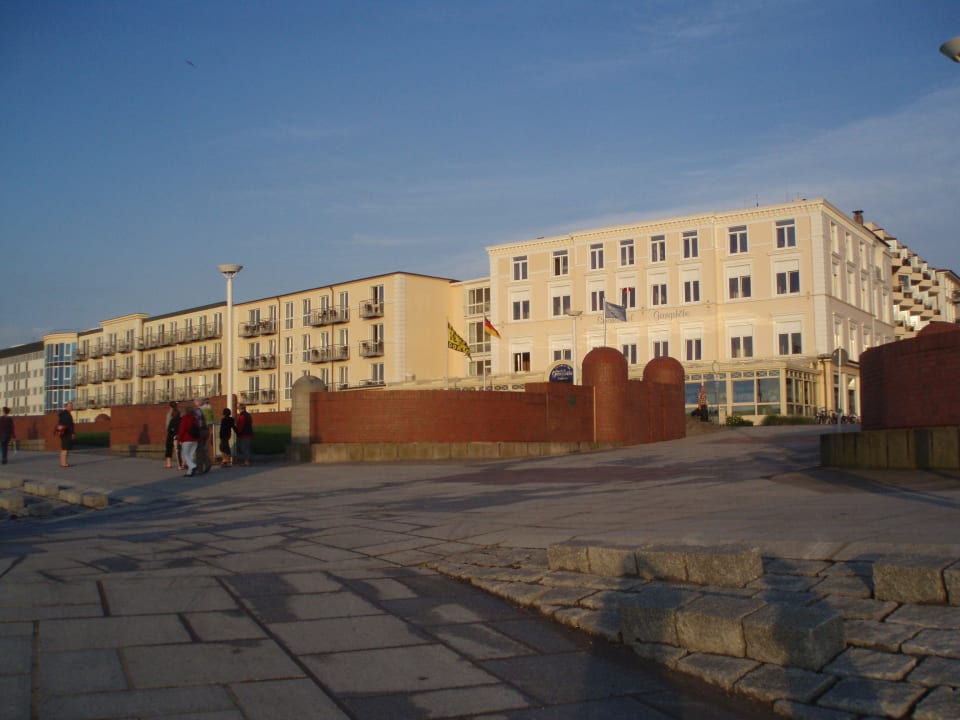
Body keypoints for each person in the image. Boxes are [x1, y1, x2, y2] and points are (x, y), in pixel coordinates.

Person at [177, 405, 200, 477]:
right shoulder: (195, 419)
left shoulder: (185, 418)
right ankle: (189, 472)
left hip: (187, 439)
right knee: (191, 455)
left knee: (185, 454)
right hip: (195, 439)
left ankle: (193, 466)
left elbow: (182, 429)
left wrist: (179, 439)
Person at [57, 401, 76, 467]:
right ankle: (64, 463)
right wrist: (72, 433)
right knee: (66, 449)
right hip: (66, 433)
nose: (71, 407)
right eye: (70, 406)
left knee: (63, 448)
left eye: (71, 406)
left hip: (63, 433)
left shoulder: (63, 414)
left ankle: (62, 462)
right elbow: (69, 425)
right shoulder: (67, 415)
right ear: (66, 407)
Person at [164, 404, 180, 469]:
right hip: (180, 435)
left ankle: (168, 463)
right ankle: (182, 463)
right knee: (179, 450)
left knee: (169, 448)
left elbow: (168, 427)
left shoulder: (170, 417)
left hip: (172, 435)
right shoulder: (181, 418)